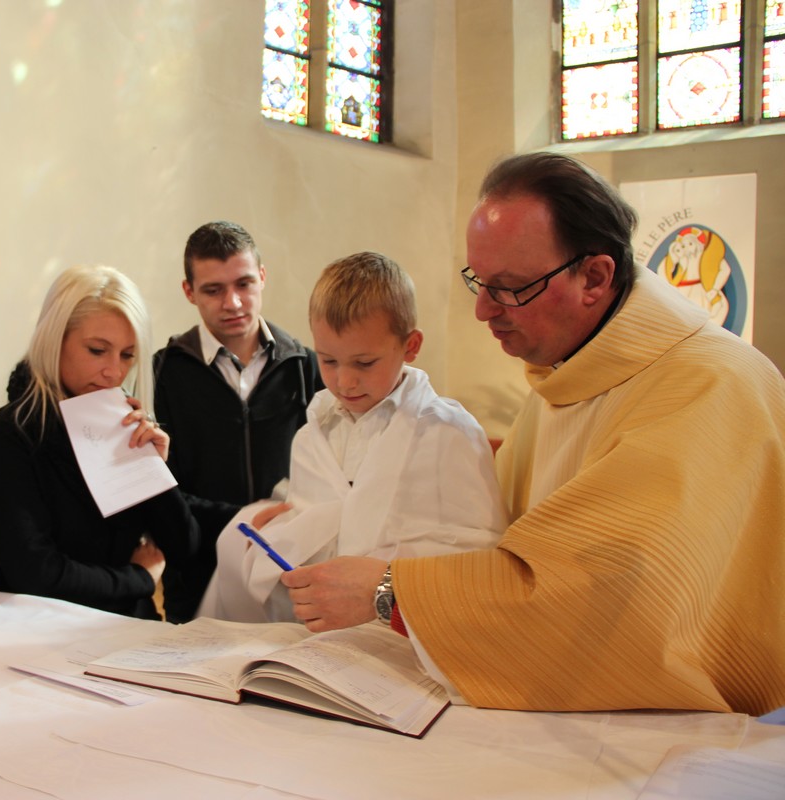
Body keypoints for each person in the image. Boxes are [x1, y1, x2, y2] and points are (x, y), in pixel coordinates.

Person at [279, 152, 785, 716]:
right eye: (478, 281)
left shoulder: (707, 386)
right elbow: (500, 542)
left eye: (510, 287)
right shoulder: (567, 379)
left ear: (595, 277)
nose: (481, 310)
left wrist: (389, 591)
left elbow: (609, 608)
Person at [200, 252, 505, 622]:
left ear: (410, 346)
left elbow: (479, 560)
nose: (344, 382)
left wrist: (387, 581)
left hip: (403, 633)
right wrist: (281, 541)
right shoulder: (312, 436)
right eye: (328, 361)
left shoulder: (448, 433)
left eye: (364, 363)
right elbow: (312, 532)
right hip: (319, 632)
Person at [0, 265, 198, 620]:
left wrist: (156, 472)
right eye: (97, 350)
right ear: (54, 341)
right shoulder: (7, 436)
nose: (114, 372)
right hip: (40, 635)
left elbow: (185, 550)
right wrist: (139, 578)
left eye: (127, 355)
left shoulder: (125, 424)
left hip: (133, 633)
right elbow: (36, 576)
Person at [154, 221, 322, 622]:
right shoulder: (162, 374)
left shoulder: (305, 366)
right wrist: (244, 520)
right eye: (213, 290)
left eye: (244, 284)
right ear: (189, 292)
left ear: (262, 277)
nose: (232, 303)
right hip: (196, 576)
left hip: (289, 574)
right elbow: (162, 491)